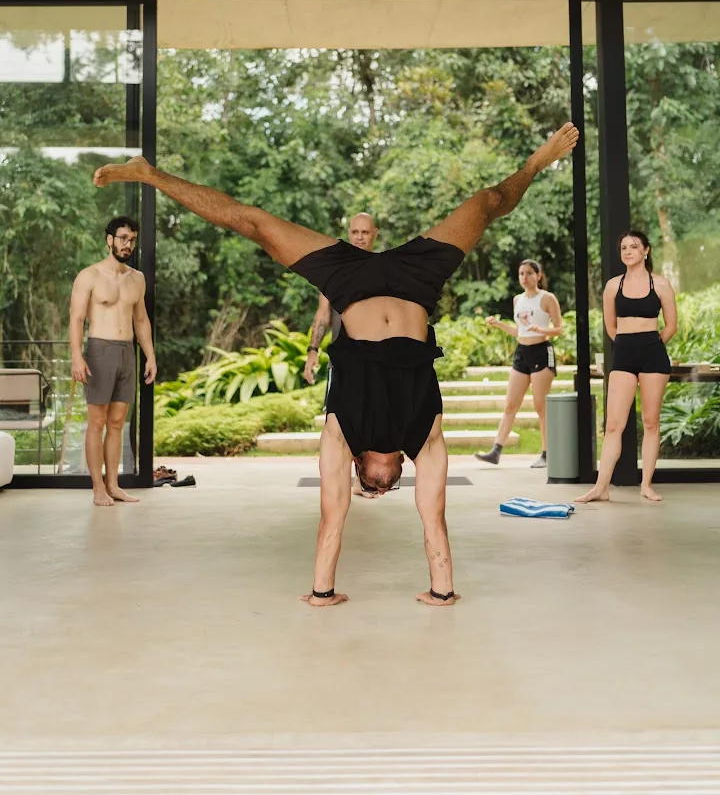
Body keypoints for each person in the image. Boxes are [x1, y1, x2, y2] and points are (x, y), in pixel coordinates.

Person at [93, 122, 579, 603]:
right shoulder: (398, 437)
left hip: (358, 283)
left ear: (365, 468)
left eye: (373, 485)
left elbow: (360, 519)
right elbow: (383, 518)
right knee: (486, 204)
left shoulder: (373, 435)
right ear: (362, 468)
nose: (377, 482)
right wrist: (354, 593)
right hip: (414, 281)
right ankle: (537, 160)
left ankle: (149, 173)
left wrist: (365, 592)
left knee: (255, 223)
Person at [576, 230, 677, 504]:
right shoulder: (612, 286)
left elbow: (671, 326)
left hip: (653, 355)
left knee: (651, 422)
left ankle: (646, 485)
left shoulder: (662, 284)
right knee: (613, 425)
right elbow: (610, 326)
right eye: (623, 248)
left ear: (646, 250)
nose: (628, 251)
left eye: (634, 246)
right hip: (623, 355)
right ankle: (601, 487)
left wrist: (652, 344)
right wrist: (626, 344)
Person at [69, 216, 157, 506]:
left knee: (118, 422)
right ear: (109, 239)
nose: (127, 244)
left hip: (126, 353)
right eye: (122, 238)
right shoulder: (89, 276)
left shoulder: (137, 279)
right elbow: (77, 319)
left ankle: (113, 485)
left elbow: (141, 319)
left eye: (131, 239)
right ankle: (97, 489)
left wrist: (150, 356)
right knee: (97, 422)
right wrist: (77, 357)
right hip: (99, 350)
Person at [303, 212, 380, 499]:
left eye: (365, 232)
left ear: (375, 234)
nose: (360, 236)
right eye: (355, 232)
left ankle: (363, 479)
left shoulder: (383, 270)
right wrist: (312, 351)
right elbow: (323, 315)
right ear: (349, 233)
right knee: (335, 423)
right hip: (342, 360)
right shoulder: (334, 271)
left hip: (374, 360)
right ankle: (338, 482)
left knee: (370, 421)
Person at [475, 259, 564, 469]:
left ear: (538, 276)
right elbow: (519, 331)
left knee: (540, 407)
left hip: (541, 352)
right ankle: (496, 450)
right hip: (522, 352)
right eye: (521, 273)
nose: (525, 277)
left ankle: (546, 453)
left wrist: (543, 330)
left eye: (529, 273)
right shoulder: (518, 300)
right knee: (510, 405)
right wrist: (498, 325)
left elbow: (559, 329)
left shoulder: (547, 298)